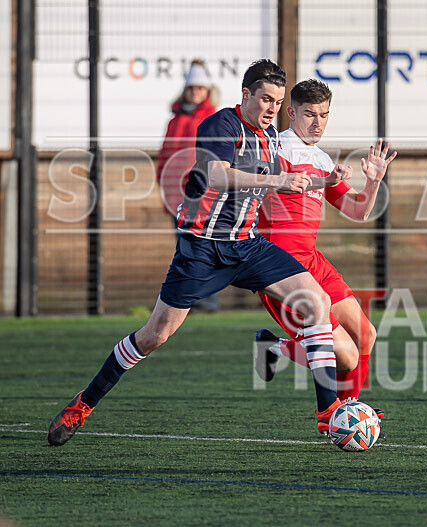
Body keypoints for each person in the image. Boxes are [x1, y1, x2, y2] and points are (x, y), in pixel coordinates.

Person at [47, 60, 346, 447]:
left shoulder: (270, 135)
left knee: (316, 302)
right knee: (155, 335)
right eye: (265, 99)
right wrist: (278, 178)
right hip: (202, 249)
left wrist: (325, 180)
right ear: (246, 95)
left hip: (246, 245)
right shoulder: (220, 124)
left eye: (277, 101)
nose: (272, 108)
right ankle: (82, 405)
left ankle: (327, 414)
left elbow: (277, 185)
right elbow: (218, 174)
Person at [254, 79, 396, 435]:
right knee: (345, 355)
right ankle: (282, 357)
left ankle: (347, 412)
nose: (317, 122)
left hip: (314, 261)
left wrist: (373, 181)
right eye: (309, 114)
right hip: (281, 267)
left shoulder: (321, 159)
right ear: (291, 113)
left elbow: (358, 210)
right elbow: (258, 186)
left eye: (324, 115)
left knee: (366, 335)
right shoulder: (274, 148)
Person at [156, 60, 219, 312]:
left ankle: (208, 300)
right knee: (184, 248)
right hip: (177, 196)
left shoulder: (213, 118)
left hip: (202, 195)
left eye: (200, 87)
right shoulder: (174, 121)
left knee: (204, 244)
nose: (195, 91)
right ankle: (187, 300)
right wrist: (165, 190)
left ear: (206, 90)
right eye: (192, 87)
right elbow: (164, 158)